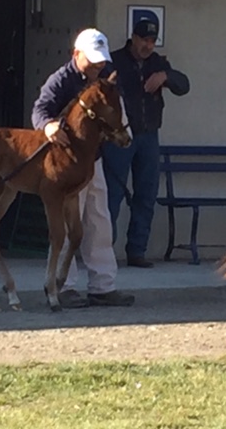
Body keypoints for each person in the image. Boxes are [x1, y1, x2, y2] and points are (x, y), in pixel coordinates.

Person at [31, 28, 135, 308]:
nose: (98, 66)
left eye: (101, 61)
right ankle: (63, 285)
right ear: (76, 55)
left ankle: (103, 285)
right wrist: (49, 125)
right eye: (92, 61)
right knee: (68, 222)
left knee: (99, 221)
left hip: (93, 159)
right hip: (65, 164)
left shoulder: (106, 78)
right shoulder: (61, 79)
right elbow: (40, 110)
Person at [102, 19, 190, 268]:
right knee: (112, 195)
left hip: (149, 135)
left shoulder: (158, 64)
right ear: (133, 38)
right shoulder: (114, 61)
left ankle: (137, 251)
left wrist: (165, 76)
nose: (148, 46)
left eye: (152, 41)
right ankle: (104, 252)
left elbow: (184, 86)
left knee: (146, 194)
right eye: (144, 40)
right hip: (119, 138)